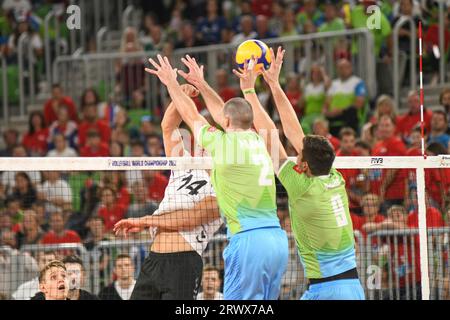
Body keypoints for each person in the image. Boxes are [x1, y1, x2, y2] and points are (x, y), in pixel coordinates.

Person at [145, 54, 289, 300]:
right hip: (277, 239)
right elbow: (223, 113)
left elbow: (191, 116)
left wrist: (171, 83)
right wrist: (203, 86)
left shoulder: (222, 144)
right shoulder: (260, 139)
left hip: (248, 240)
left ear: (226, 120)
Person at [235, 47, 364, 300]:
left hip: (329, 290)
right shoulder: (333, 176)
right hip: (349, 286)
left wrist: (249, 92)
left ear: (303, 166)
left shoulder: (302, 187)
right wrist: (274, 84)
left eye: (299, 154)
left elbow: (271, 136)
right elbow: (294, 132)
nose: (295, 151)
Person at [114, 85, 222, 300]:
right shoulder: (183, 167)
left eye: (208, 142)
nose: (202, 145)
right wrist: (179, 95)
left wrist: (145, 221)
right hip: (154, 260)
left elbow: (189, 219)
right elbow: (168, 125)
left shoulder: (223, 187)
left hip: (183, 263)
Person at [323, 59, 368, 136]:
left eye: (345, 67)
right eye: (340, 68)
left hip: (349, 119)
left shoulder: (358, 82)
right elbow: (327, 103)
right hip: (333, 119)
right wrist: (327, 112)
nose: (343, 70)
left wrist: (340, 111)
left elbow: (359, 103)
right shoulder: (333, 84)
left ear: (350, 68)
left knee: (351, 111)